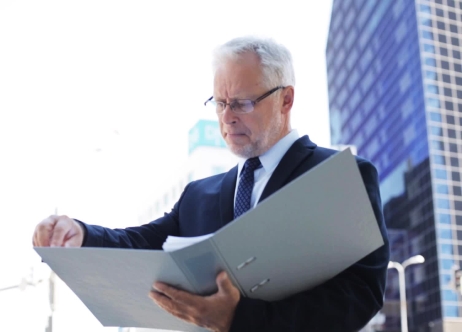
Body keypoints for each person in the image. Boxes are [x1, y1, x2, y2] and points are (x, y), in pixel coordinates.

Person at [32, 36, 390, 332]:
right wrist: (81, 234)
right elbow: (140, 243)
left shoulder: (342, 177)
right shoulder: (198, 194)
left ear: (286, 99)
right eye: (219, 103)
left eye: (243, 103)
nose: (227, 118)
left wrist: (240, 320)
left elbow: (360, 294)